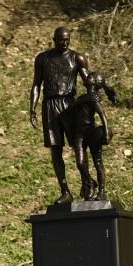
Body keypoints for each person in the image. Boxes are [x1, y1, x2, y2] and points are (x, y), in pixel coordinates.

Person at [29, 26, 90, 204]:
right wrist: (32, 108)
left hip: (69, 104)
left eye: (67, 39)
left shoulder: (77, 58)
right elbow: (36, 84)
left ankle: (87, 183)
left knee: (78, 144)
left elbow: (88, 81)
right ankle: (65, 190)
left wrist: (95, 93)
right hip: (50, 105)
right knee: (56, 149)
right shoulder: (43, 59)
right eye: (61, 39)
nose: (64, 43)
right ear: (54, 39)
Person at [66, 71, 119, 202]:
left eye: (91, 77)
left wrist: (106, 132)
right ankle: (89, 181)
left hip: (90, 133)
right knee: (80, 163)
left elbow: (102, 115)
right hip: (79, 135)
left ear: (95, 83)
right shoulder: (83, 97)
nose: (87, 77)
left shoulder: (93, 98)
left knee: (98, 162)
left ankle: (101, 191)